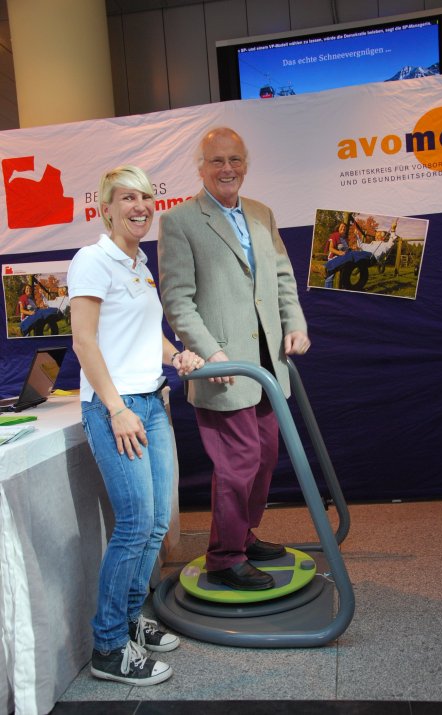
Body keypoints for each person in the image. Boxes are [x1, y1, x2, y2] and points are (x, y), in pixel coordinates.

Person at [67, 165, 204, 686]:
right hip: (116, 407)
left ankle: (127, 621)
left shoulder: (139, 263)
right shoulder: (92, 260)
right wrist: (115, 407)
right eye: (127, 197)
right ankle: (108, 647)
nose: (140, 206)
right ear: (106, 209)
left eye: (146, 197)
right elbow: (84, 340)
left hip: (150, 401)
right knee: (133, 524)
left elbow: (149, 334)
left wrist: (177, 354)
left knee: (155, 523)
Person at [158, 127, 310, 591]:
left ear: (246, 164)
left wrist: (294, 323)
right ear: (201, 168)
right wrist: (211, 352)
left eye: (235, 160)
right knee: (239, 461)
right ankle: (224, 558)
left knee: (265, 457)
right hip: (223, 368)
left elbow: (281, 277)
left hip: (267, 365)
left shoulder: (262, 213)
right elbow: (178, 301)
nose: (227, 169)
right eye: (217, 161)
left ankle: (242, 535)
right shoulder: (180, 221)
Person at [325, 222, 349, 288]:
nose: (343, 228)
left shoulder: (345, 238)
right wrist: (339, 253)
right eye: (342, 226)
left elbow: (346, 249)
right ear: (338, 228)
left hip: (343, 259)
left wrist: (351, 248)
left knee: (343, 277)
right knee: (330, 277)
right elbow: (330, 248)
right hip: (334, 258)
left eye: (345, 227)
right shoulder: (334, 235)